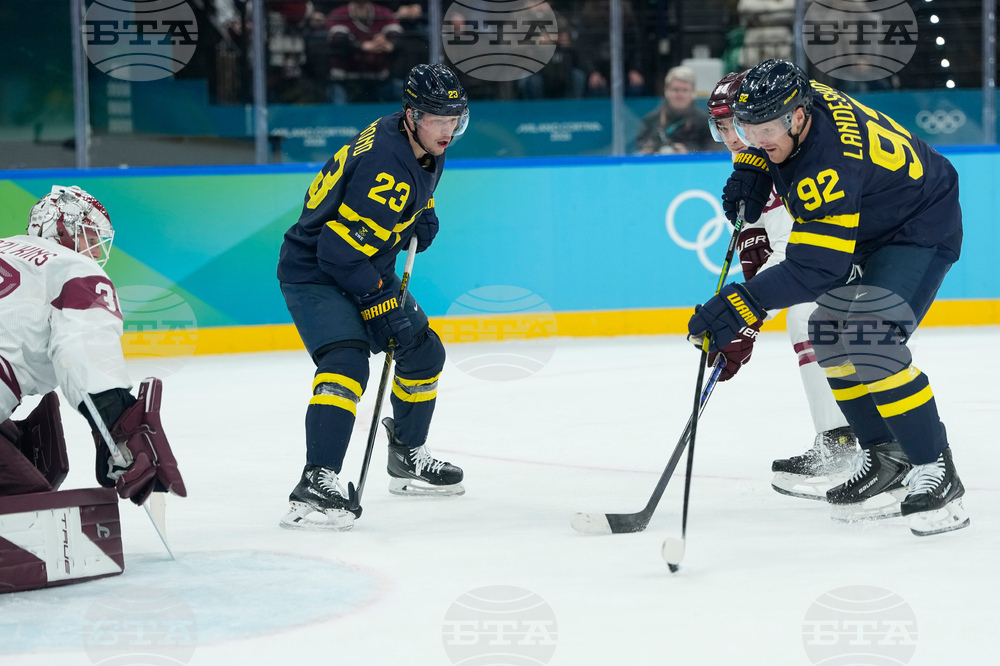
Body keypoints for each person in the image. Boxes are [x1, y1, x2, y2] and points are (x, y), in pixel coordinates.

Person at [688, 59, 967, 537]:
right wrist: (756, 164)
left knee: (871, 336)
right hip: (875, 214)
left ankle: (937, 470)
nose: (753, 137)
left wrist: (741, 304)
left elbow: (817, 268)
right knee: (828, 331)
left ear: (798, 118)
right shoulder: (794, 96)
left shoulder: (826, 165)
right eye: (744, 130)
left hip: (919, 221)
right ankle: (886, 457)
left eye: (765, 132)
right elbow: (762, 124)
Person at [277, 63, 468, 531]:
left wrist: (423, 210)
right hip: (316, 272)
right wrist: (378, 302)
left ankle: (406, 456)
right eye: (437, 118)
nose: (447, 129)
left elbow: (409, 190)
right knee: (346, 362)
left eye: (454, 118)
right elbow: (336, 252)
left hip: (362, 262)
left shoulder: (413, 137)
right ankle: (315, 481)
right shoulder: (388, 162)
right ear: (411, 114)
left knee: (424, 354)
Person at [0, 186, 186, 589]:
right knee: (27, 504)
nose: (95, 249)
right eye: (88, 235)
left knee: (22, 444)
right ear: (63, 230)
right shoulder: (72, 269)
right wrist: (121, 428)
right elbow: (81, 354)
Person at [705, 71, 857, 499]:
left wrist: (745, 316)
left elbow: (801, 256)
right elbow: (769, 251)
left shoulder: (793, 157)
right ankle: (852, 441)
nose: (732, 138)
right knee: (810, 319)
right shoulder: (752, 164)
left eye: (735, 124)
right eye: (720, 128)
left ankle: (849, 447)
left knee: (811, 319)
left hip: (867, 258)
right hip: (833, 265)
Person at [326, 0, 404, 104]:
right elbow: (339, 40)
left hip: (380, 81)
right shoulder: (339, 14)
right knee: (338, 103)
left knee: (411, 94)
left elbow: (396, 36)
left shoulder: (384, 13)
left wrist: (388, 44)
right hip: (344, 81)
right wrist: (363, 46)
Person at [636, 67, 715, 155]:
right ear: (666, 90)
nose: (680, 95)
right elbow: (640, 151)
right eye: (675, 90)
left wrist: (689, 153)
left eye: (685, 90)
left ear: (693, 92)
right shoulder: (650, 121)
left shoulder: (706, 123)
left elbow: (715, 154)